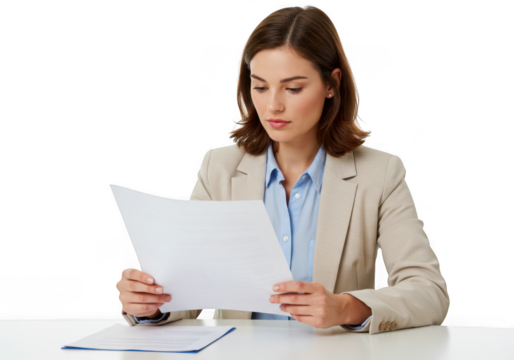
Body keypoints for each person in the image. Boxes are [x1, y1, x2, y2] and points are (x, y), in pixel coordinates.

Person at [115, 5, 450, 334]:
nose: (272, 105)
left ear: (331, 84)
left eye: (293, 88)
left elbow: (429, 291)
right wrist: (151, 303)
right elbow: (190, 288)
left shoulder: (379, 173)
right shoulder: (220, 169)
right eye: (260, 87)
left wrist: (346, 307)